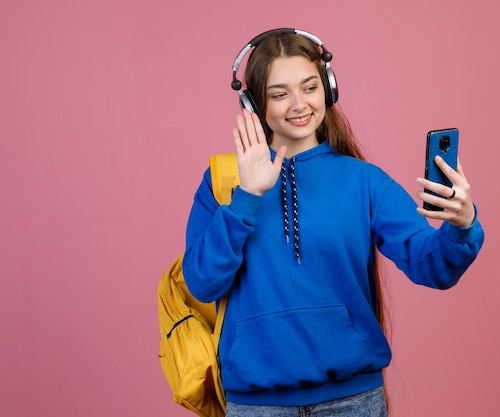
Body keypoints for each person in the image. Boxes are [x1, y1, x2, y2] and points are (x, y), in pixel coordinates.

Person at [182, 28, 484, 417]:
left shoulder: (364, 181)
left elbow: (435, 267)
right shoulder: (223, 182)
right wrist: (248, 196)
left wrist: (461, 224)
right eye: (279, 94)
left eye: (309, 87)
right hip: (256, 406)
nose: (298, 104)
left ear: (328, 88)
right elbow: (202, 284)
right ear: (254, 103)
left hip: (354, 403)